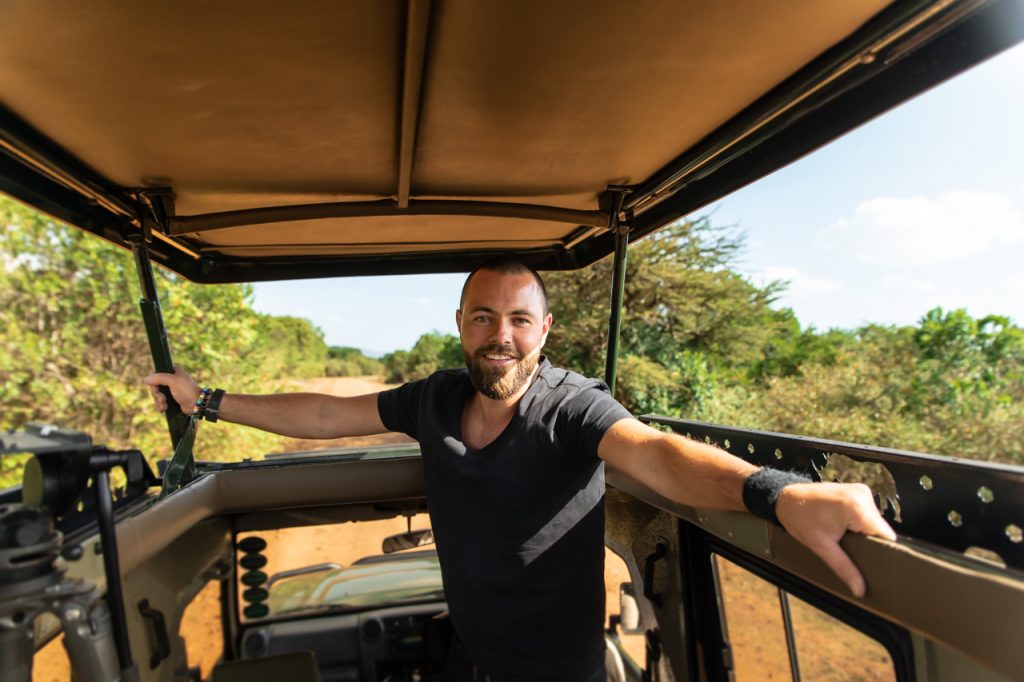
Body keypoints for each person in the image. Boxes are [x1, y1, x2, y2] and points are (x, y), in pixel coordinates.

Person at [145, 258, 895, 682]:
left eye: (518, 320)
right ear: (461, 324)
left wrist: (777, 493)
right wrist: (205, 399)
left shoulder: (573, 408)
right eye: (482, 317)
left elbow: (656, 455)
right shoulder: (435, 399)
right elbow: (321, 417)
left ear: (543, 330)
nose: (499, 336)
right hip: (469, 653)